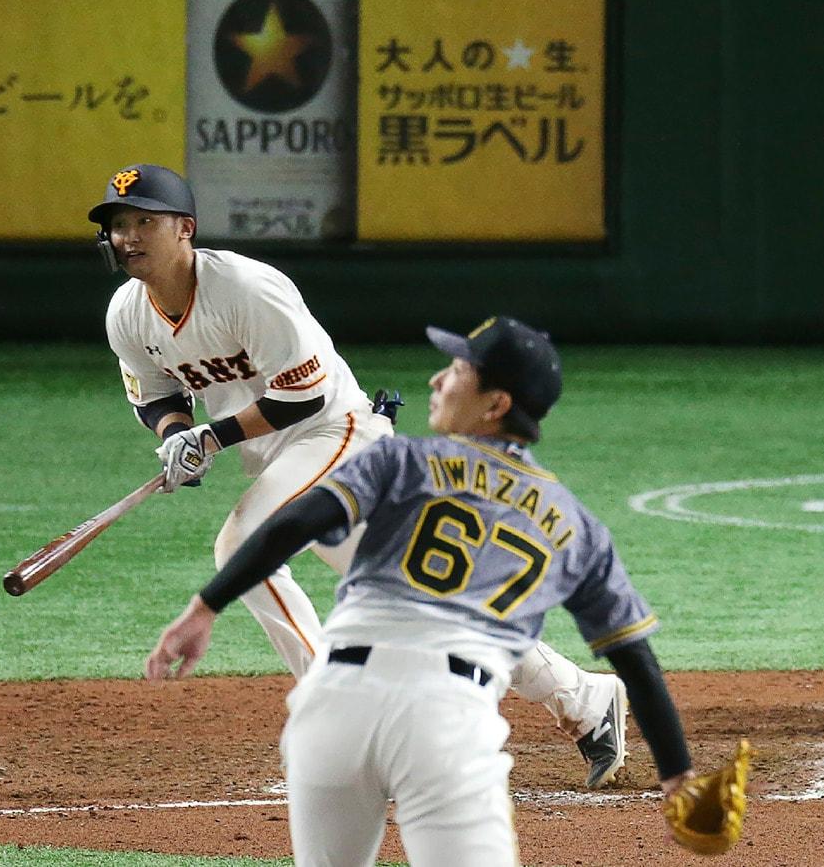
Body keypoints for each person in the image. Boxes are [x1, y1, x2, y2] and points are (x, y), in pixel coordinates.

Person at [88, 166, 628, 786]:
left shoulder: (248, 289)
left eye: (143, 222)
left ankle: (337, 713)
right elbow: (153, 395)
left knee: (241, 544)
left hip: (338, 435)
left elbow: (305, 397)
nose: (127, 236)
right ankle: (586, 701)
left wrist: (210, 437)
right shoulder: (127, 313)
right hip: (279, 458)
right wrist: (174, 434)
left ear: (184, 229)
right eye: (118, 224)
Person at [145, 317, 722, 866]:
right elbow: (634, 659)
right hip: (446, 722)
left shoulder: (400, 458)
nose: (437, 379)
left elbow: (292, 524)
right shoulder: (575, 524)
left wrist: (204, 608)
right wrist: (677, 775)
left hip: (330, 707)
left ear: (496, 405)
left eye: (458, 371)